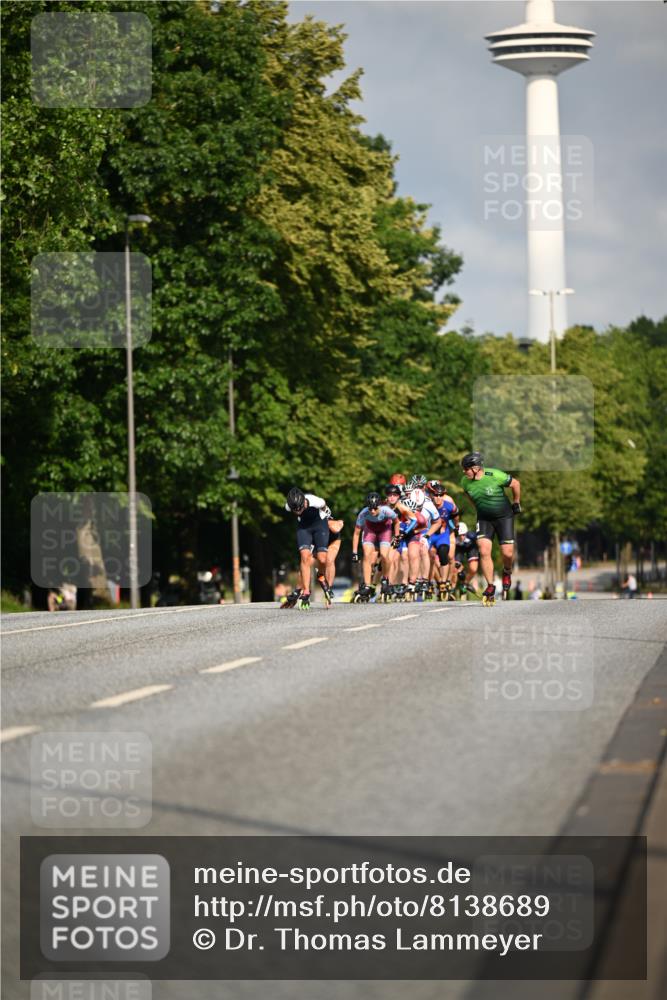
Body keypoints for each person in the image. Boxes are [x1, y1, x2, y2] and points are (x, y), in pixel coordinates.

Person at [459, 452, 521, 605]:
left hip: (504, 517)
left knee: (507, 553)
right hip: (484, 519)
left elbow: (516, 484)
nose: (463, 472)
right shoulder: (465, 481)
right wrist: (479, 509)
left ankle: (507, 571)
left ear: (475, 468)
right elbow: (469, 496)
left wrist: (516, 502)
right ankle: (490, 586)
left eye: (466, 469)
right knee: (484, 550)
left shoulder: (495, 475)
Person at [282, 488, 340, 609]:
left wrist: (327, 516)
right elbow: (296, 511)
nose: (298, 511)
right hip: (304, 528)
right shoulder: (288, 506)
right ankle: (306, 591)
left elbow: (324, 506)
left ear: (304, 502)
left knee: (323, 559)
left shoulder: (315, 501)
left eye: (300, 508)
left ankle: (320, 575)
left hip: (320, 525)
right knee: (304, 557)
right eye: (295, 510)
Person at [351, 492, 399, 602]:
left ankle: (385, 580)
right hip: (370, 530)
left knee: (384, 555)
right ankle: (367, 586)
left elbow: (396, 522)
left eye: (375, 509)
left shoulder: (386, 511)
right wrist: (354, 552)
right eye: (370, 509)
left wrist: (396, 537)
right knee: (367, 555)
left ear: (379, 506)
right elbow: (357, 533)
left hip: (384, 531)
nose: (372, 511)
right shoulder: (363, 513)